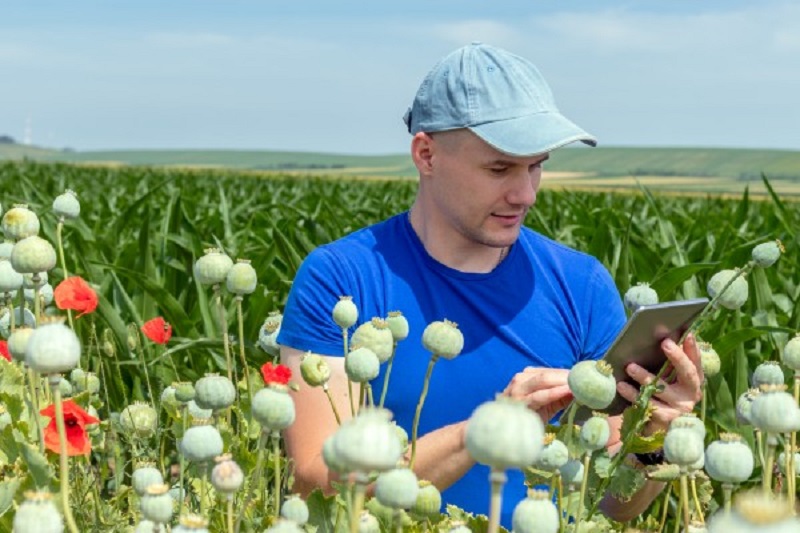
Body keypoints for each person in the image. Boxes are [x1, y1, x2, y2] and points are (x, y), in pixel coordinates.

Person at [277, 42, 703, 527]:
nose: (525, 194)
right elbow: (315, 484)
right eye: (499, 168)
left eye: (536, 165)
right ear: (426, 154)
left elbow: (609, 505)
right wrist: (487, 431)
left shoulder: (581, 285)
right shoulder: (341, 280)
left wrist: (650, 442)